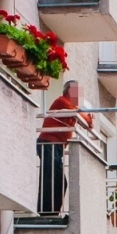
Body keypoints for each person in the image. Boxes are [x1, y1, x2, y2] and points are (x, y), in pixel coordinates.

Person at [37, 80, 88, 215]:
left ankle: (51, 212)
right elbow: (84, 118)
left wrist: (87, 118)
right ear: (70, 91)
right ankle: (45, 212)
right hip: (48, 143)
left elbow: (88, 124)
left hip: (56, 146)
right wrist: (87, 117)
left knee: (59, 181)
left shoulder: (71, 108)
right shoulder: (62, 102)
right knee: (50, 177)